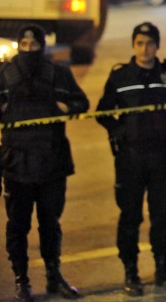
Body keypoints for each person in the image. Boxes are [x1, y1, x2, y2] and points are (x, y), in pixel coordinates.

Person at [96, 23, 166, 296]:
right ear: (133, 45)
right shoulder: (121, 77)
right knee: (130, 217)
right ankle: (131, 272)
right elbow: (103, 113)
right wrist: (121, 132)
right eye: (139, 43)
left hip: (162, 156)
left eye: (150, 43)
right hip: (131, 158)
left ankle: (162, 269)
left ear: (157, 46)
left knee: (162, 216)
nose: (145, 48)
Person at [0, 24, 89, 301]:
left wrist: (69, 107)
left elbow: (81, 102)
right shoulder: (4, 75)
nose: (29, 49)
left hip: (52, 162)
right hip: (17, 163)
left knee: (50, 222)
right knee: (18, 225)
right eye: (24, 44)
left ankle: (54, 276)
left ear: (42, 46)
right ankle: (21, 279)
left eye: (34, 44)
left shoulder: (58, 73)